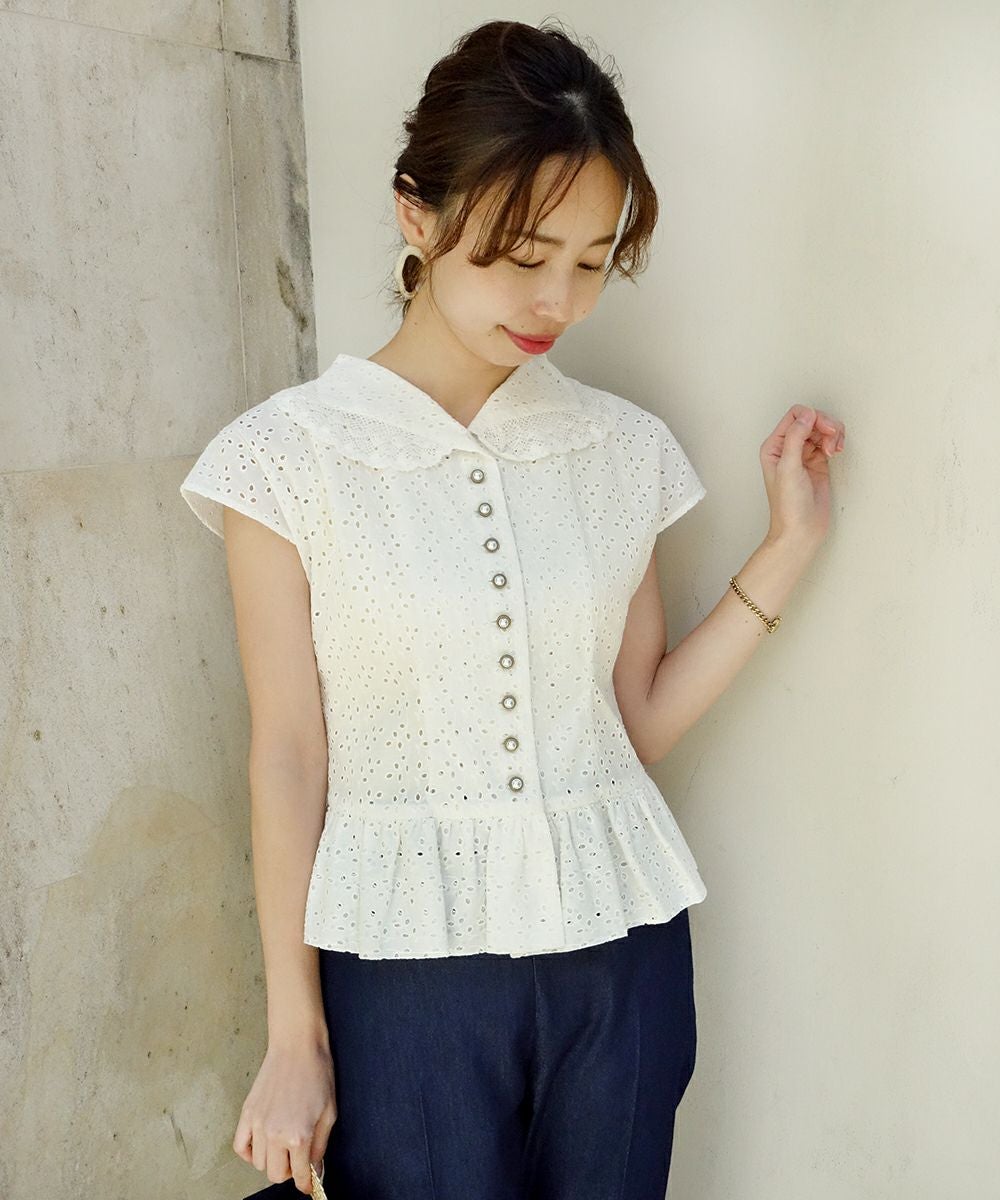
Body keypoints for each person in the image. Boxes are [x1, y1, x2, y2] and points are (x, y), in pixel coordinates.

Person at [179, 17, 846, 1200]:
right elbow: (288, 757)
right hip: (404, 978)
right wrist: (294, 1036)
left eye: (591, 261)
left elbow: (631, 721)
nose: (557, 301)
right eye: (523, 254)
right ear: (416, 217)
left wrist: (789, 547)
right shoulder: (285, 462)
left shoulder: (619, 450)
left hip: (621, 958)